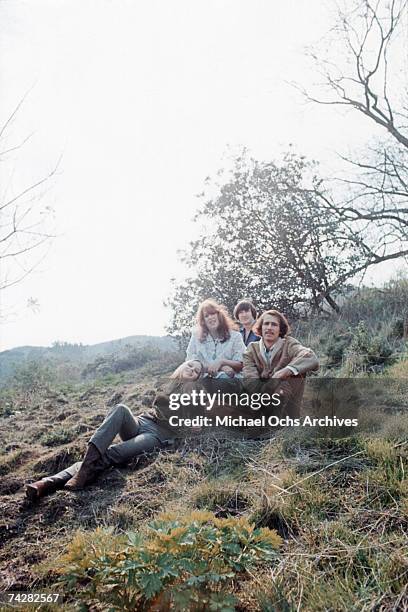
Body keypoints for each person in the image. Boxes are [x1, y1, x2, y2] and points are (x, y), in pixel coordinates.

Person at [25, 360, 203, 500]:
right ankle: (83, 471)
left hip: (156, 435)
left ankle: (48, 482)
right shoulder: (168, 384)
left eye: (196, 371)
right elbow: (160, 407)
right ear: (183, 365)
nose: (192, 370)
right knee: (120, 409)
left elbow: (195, 419)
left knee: (112, 453)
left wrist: (195, 424)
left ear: (197, 378)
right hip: (142, 422)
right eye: (190, 365)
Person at [243, 310, 319, 417]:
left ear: (280, 329)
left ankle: (286, 419)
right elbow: (251, 381)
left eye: (274, 324)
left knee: (297, 372)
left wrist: (284, 372)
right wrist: (271, 386)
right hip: (260, 398)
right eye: (266, 324)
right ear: (261, 327)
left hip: (286, 397)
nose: (269, 327)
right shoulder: (251, 349)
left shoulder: (289, 343)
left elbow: (310, 356)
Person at [186, 299, 246, 379]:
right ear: (203, 321)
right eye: (206, 316)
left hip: (229, 380)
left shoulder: (235, 336)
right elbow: (190, 361)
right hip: (204, 378)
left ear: (219, 315)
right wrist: (220, 368)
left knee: (223, 380)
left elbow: (241, 364)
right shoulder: (196, 337)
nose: (210, 318)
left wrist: (222, 362)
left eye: (212, 314)